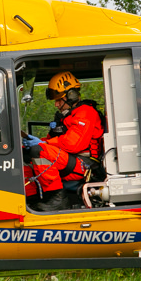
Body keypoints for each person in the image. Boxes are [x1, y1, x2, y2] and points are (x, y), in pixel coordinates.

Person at [23, 71, 105, 212]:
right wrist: (35, 142)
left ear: (71, 95)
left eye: (59, 100)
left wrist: (44, 144)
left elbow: (73, 144)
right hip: (70, 161)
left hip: (84, 165)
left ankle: (57, 198)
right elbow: (53, 141)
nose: (56, 104)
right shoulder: (66, 117)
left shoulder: (85, 113)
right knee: (27, 155)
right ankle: (32, 201)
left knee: (39, 151)